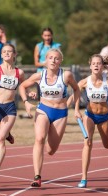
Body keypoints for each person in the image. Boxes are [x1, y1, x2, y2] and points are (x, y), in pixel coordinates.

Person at [19, 48, 81, 187]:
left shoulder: (66, 75)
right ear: (45, 60)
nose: (53, 60)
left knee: (51, 150)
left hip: (60, 113)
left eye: (56, 58)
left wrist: (76, 109)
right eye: (50, 58)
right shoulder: (39, 75)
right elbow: (22, 86)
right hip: (43, 109)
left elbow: (77, 89)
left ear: (61, 61)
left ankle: (45, 149)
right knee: (39, 138)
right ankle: (37, 176)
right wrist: (26, 102)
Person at [68, 54, 108, 188]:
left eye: (99, 63)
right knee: (87, 143)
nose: (96, 65)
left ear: (103, 66)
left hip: (105, 117)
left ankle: (107, 135)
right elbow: (75, 95)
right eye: (94, 63)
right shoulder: (84, 82)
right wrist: (75, 109)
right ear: (90, 66)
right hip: (89, 115)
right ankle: (84, 177)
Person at [0, 43, 27, 180]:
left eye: (10, 51)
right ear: (1, 55)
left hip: (9, 108)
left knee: (1, 139)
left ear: (14, 55)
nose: (7, 53)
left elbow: (23, 87)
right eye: (4, 52)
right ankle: (7, 133)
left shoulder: (19, 73)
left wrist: (29, 94)